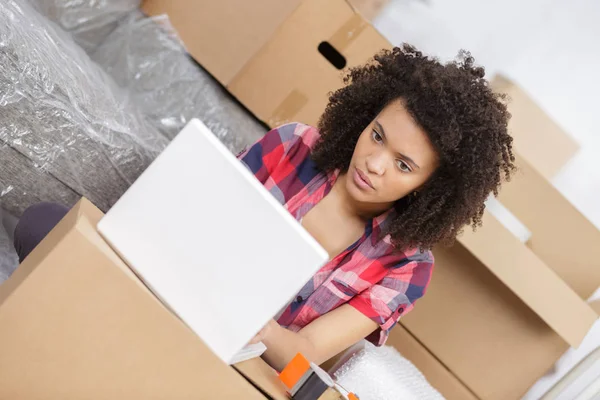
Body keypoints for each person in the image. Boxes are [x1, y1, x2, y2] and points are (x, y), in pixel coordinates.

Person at [13, 45, 515, 372]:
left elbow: (306, 355)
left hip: (234, 357)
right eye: (377, 135)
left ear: (431, 186)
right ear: (366, 115)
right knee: (45, 224)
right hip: (169, 282)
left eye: (403, 165)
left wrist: (245, 319)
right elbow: (191, 215)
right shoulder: (295, 145)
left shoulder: (406, 267)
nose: (375, 163)